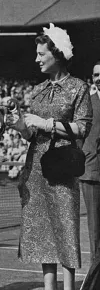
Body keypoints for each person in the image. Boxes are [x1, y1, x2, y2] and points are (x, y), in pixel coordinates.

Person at [7, 23, 92, 290]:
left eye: (42, 54)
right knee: (43, 233)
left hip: (63, 167)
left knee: (65, 228)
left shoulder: (78, 87)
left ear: (57, 54)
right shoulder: (37, 90)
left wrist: (45, 124)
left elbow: (82, 128)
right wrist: (19, 125)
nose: (37, 59)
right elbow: (30, 136)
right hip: (36, 170)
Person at [80, 61, 100, 264]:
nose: (99, 78)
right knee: (95, 228)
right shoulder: (87, 103)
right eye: (96, 75)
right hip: (92, 172)